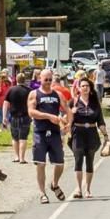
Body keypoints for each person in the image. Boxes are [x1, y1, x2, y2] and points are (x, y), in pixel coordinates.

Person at [28, 69, 69, 204]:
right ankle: (42, 193)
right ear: (40, 79)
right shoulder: (34, 94)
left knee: (60, 163)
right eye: (45, 80)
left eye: (50, 80)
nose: (48, 82)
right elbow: (31, 112)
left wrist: (67, 121)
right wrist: (48, 116)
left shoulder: (57, 94)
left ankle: (54, 184)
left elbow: (67, 110)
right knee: (41, 164)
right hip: (40, 132)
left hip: (55, 133)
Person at [66, 77, 110, 199]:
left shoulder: (95, 103)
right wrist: (71, 113)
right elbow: (65, 118)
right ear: (78, 88)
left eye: (87, 86)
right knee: (78, 161)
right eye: (82, 86)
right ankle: (79, 189)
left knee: (90, 162)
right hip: (77, 134)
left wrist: (106, 136)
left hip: (91, 134)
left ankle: (88, 189)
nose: (85, 88)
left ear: (90, 88)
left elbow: (100, 121)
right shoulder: (73, 102)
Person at [3, 70, 32, 164]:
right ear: (25, 80)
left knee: (15, 138)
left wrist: (4, 116)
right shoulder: (29, 91)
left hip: (14, 116)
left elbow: (5, 104)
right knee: (23, 138)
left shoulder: (11, 90)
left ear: (16, 80)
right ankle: (22, 158)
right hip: (25, 116)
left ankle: (16, 157)